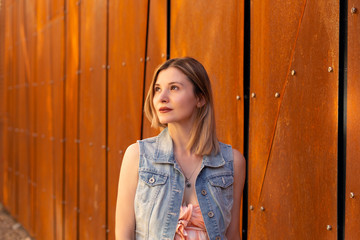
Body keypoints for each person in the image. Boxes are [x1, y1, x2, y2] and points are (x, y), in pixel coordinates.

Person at [115, 57, 246, 240]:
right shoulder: (138, 157)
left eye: (174, 88)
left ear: (200, 98)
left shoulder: (231, 162)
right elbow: (124, 235)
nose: (162, 98)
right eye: (157, 89)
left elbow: (232, 234)